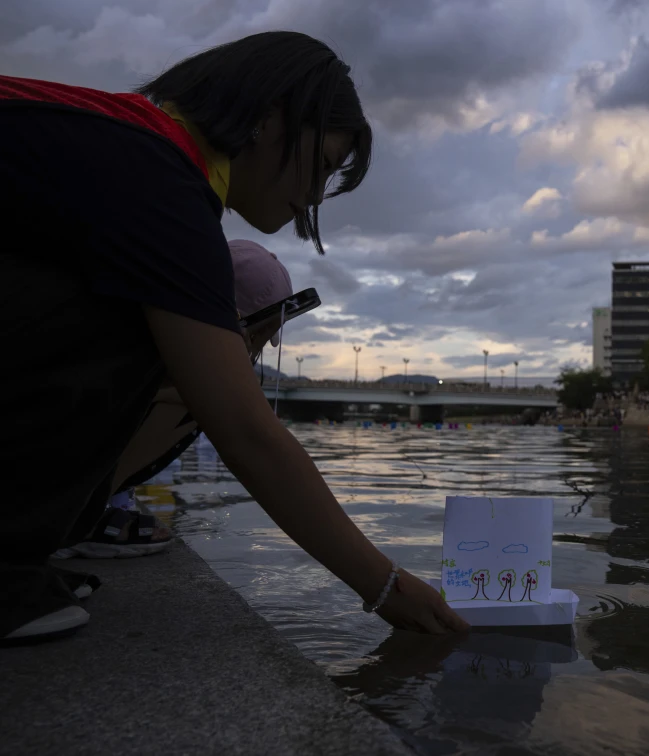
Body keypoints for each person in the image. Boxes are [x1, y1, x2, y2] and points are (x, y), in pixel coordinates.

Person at [1, 31, 468, 643]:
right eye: (323, 167)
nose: (315, 196)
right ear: (269, 119)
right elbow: (245, 430)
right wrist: (385, 587)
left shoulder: (132, 143)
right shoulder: (160, 180)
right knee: (179, 350)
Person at [54, 239, 296, 560]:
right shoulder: (185, 375)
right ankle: (73, 517)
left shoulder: (127, 324)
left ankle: (90, 506)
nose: (258, 349)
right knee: (202, 394)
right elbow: (256, 448)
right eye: (261, 334)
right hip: (44, 494)